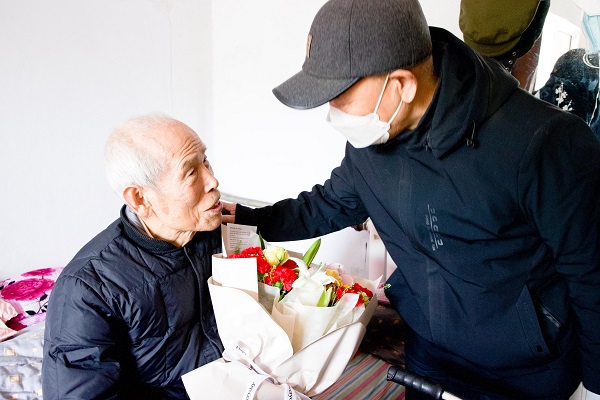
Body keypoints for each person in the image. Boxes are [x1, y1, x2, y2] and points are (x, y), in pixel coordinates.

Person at [221, 0, 600, 398]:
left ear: (401, 85)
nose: (332, 111)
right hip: (429, 350)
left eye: (340, 96)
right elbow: (326, 205)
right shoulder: (371, 141)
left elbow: (591, 273)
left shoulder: (545, 143)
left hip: (524, 370)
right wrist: (245, 218)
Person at [43, 113, 224, 399]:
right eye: (191, 172)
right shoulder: (87, 288)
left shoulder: (211, 229)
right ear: (140, 198)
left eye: (206, 161)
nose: (213, 180)